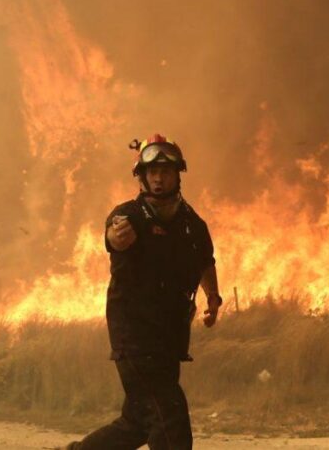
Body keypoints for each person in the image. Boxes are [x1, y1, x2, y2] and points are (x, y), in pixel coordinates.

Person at [66, 134, 222, 450]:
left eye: (165, 172)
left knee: (137, 423)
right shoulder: (129, 217)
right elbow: (114, 237)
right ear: (142, 177)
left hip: (168, 338)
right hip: (135, 336)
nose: (159, 178)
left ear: (178, 174)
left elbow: (205, 262)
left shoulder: (192, 224)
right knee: (170, 418)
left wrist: (213, 298)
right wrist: (114, 235)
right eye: (152, 173)